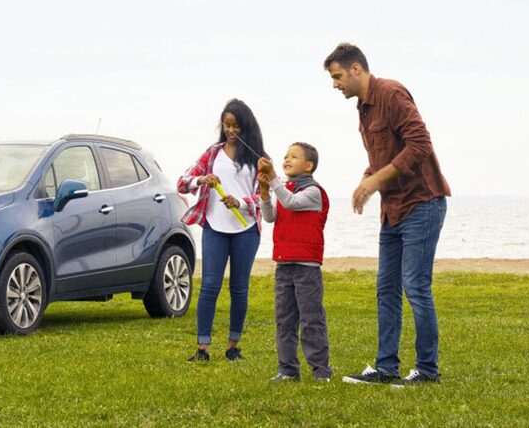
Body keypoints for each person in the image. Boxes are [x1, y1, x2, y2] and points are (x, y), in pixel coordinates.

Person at [324, 42, 451, 387]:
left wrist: (377, 179)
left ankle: (427, 371)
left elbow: (420, 144)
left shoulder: (392, 94)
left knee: (416, 287)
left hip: (422, 203)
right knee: (386, 288)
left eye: (337, 76)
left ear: (355, 69)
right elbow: (383, 155)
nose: (335, 84)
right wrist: (368, 180)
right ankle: (386, 368)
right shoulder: (363, 109)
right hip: (392, 210)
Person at [176, 98, 267, 362]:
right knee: (209, 287)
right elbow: (183, 183)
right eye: (226, 125)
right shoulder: (213, 153)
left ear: (246, 127)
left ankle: (233, 347)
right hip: (215, 227)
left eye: (236, 126)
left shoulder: (259, 159)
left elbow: (263, 197)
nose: (230, 131)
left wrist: (240, 202)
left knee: (239, 289)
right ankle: (202, 348)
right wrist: (201, 179)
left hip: (246, 229)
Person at [257, 142, 333, 382]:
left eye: (294, 156)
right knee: (285, 320)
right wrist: (264, 192)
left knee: (311, 319)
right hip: (284, 265)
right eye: (286, 156)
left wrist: (274, 179)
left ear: (308, 165)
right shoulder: (285, 189)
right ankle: (287, 370)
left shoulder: (313, 192)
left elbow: (291, 202)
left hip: (306, 268)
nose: (287, 159)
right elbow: (270, 217)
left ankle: (321, 371)